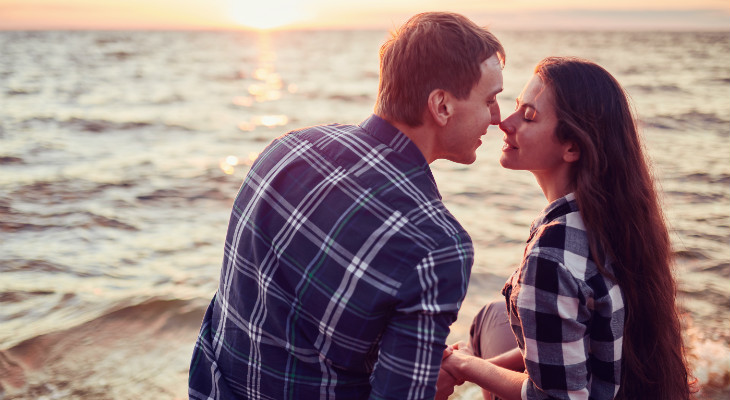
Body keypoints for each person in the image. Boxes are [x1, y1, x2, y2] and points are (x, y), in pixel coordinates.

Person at [188, 12, 505, 400]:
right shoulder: (437, 243)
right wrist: (431, 385)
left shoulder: (286, 150)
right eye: (490, 100)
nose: (497, 118)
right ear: (441, 106)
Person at [436, 57, 695, 400]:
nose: (505, 123)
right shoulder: (615, 219)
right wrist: (474, 368)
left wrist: (466, 367)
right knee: (497, 314)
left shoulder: (552, 254)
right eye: (516, 107)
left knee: (488, 319)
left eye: (528, 116)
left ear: (572, 146)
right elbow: (573, 342)